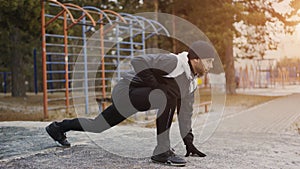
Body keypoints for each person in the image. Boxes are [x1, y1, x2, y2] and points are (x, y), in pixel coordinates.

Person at [46, 40, 216, 166]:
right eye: (208, 61)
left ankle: (57, 128)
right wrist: (156, 87)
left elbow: (185, 114)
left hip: (138, 98)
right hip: (125, 91)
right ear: (195, 59)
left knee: (97, 125)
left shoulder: (191, 82)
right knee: (167, 95)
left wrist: (189, 143)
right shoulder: (174, 62)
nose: (211, 65)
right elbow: (138, 61)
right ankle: (162, 151)